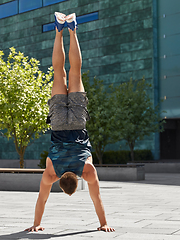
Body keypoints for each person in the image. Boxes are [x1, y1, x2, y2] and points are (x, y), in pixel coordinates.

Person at [25, 12, 115, 233]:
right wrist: (35, 224)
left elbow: (97, 198)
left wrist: (104, 223)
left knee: (75, 73)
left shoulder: (88, 170)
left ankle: (72, 29)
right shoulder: (50, 173)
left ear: (77, 178)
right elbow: (42, 200)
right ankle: (58, 30)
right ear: (60, 181)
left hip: (77, 123)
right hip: (57, 124)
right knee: (58, 74)